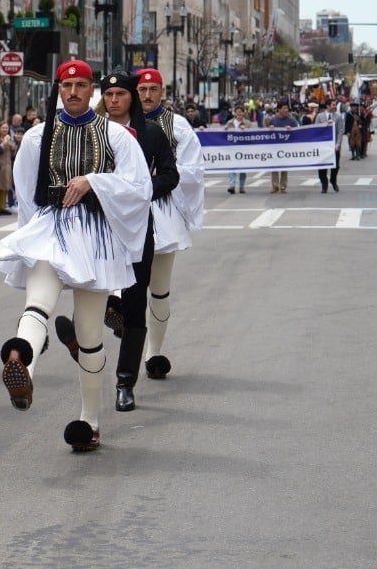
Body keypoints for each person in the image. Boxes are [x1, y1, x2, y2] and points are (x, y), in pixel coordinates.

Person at [0, 60, 151, 451]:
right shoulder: (37, 136)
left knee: (90, 335)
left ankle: (89, 421)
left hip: (94, 236)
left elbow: (139, 187)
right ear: (58, 89)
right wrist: (34, 233)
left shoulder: (115, 135)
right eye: (67, 85)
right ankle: (21, 363)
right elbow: (27, 192)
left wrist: (93, 180)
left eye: (81, 85)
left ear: (90, 88)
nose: (74, 92)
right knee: (37, 304)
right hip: (53, 228)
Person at [80, 71, 178, 413]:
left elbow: (170, 174)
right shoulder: (90, 133)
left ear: (130, 98)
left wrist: (142, 189)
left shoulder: (150, 134)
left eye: (121, 94)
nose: (114, 100)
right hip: (94, 227)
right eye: (109, 95)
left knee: (137, 301)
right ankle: (94, 326)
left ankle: (125, 382)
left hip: (137, 229)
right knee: (89, 289)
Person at [132, 68, 206, 382]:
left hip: (162, 208)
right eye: (142, 89)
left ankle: (154, 353)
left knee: (159, 289)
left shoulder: (177, 126)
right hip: (126, 212)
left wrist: (161, 175)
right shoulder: (117, 124)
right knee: (127, 287)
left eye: (153, 89)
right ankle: (129, 345)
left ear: (163, 91)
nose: (147, 95)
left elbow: (193, 171)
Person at [265, 100, 299, 193]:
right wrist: (270, 129)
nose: (286, 110)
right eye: (284, 108)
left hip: (286, 147)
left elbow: (298, 131)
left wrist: (291, 129)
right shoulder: (273, 120)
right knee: (274, 167)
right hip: (275, 146)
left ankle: (283, 186)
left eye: (287, 108)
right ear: (279, 109)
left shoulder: (291, 120)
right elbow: (266, 134)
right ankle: (275, 186)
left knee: (284, 167)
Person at [222, 108, 253, 193]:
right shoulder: (230, 122)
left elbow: (253, 135)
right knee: (232, 167)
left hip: (243, 149)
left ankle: (241, 186)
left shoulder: (248, 123)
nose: (239, 113)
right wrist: (225, 130)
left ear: (243, 113)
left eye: (241, 111)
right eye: (237, 112)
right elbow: (224, 136)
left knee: (242, 168)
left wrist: (246, 131)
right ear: (235, 113)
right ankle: (232, 185)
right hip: (232, 148)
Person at [316, 101, 344, 193]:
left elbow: (340, 131)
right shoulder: (320, 116)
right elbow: (316, 129)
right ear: (327, 106)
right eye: (333, 105)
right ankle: (324, 183)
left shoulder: (338, 117)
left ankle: (333, 180)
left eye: (335, 105)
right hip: (323, 145)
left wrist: (338, 144)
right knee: (322, 166)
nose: (335, 106)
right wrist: (325, 124)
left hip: (334, 145)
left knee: (335, 165)